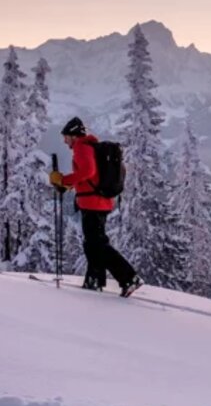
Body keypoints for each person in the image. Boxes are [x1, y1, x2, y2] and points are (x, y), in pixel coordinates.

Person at [48, 117, 143, 297]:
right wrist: (67, 184)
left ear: (74, 135)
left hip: (93, 203)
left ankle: (129, 277)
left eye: (66, 136)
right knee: (92, 244)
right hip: (99, 202)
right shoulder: (90, 147)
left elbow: (87, 172)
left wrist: (63, 180)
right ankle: (94, 281)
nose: (64, 140)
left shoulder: (81, 147)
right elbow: (91, 177)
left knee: (97, 244)